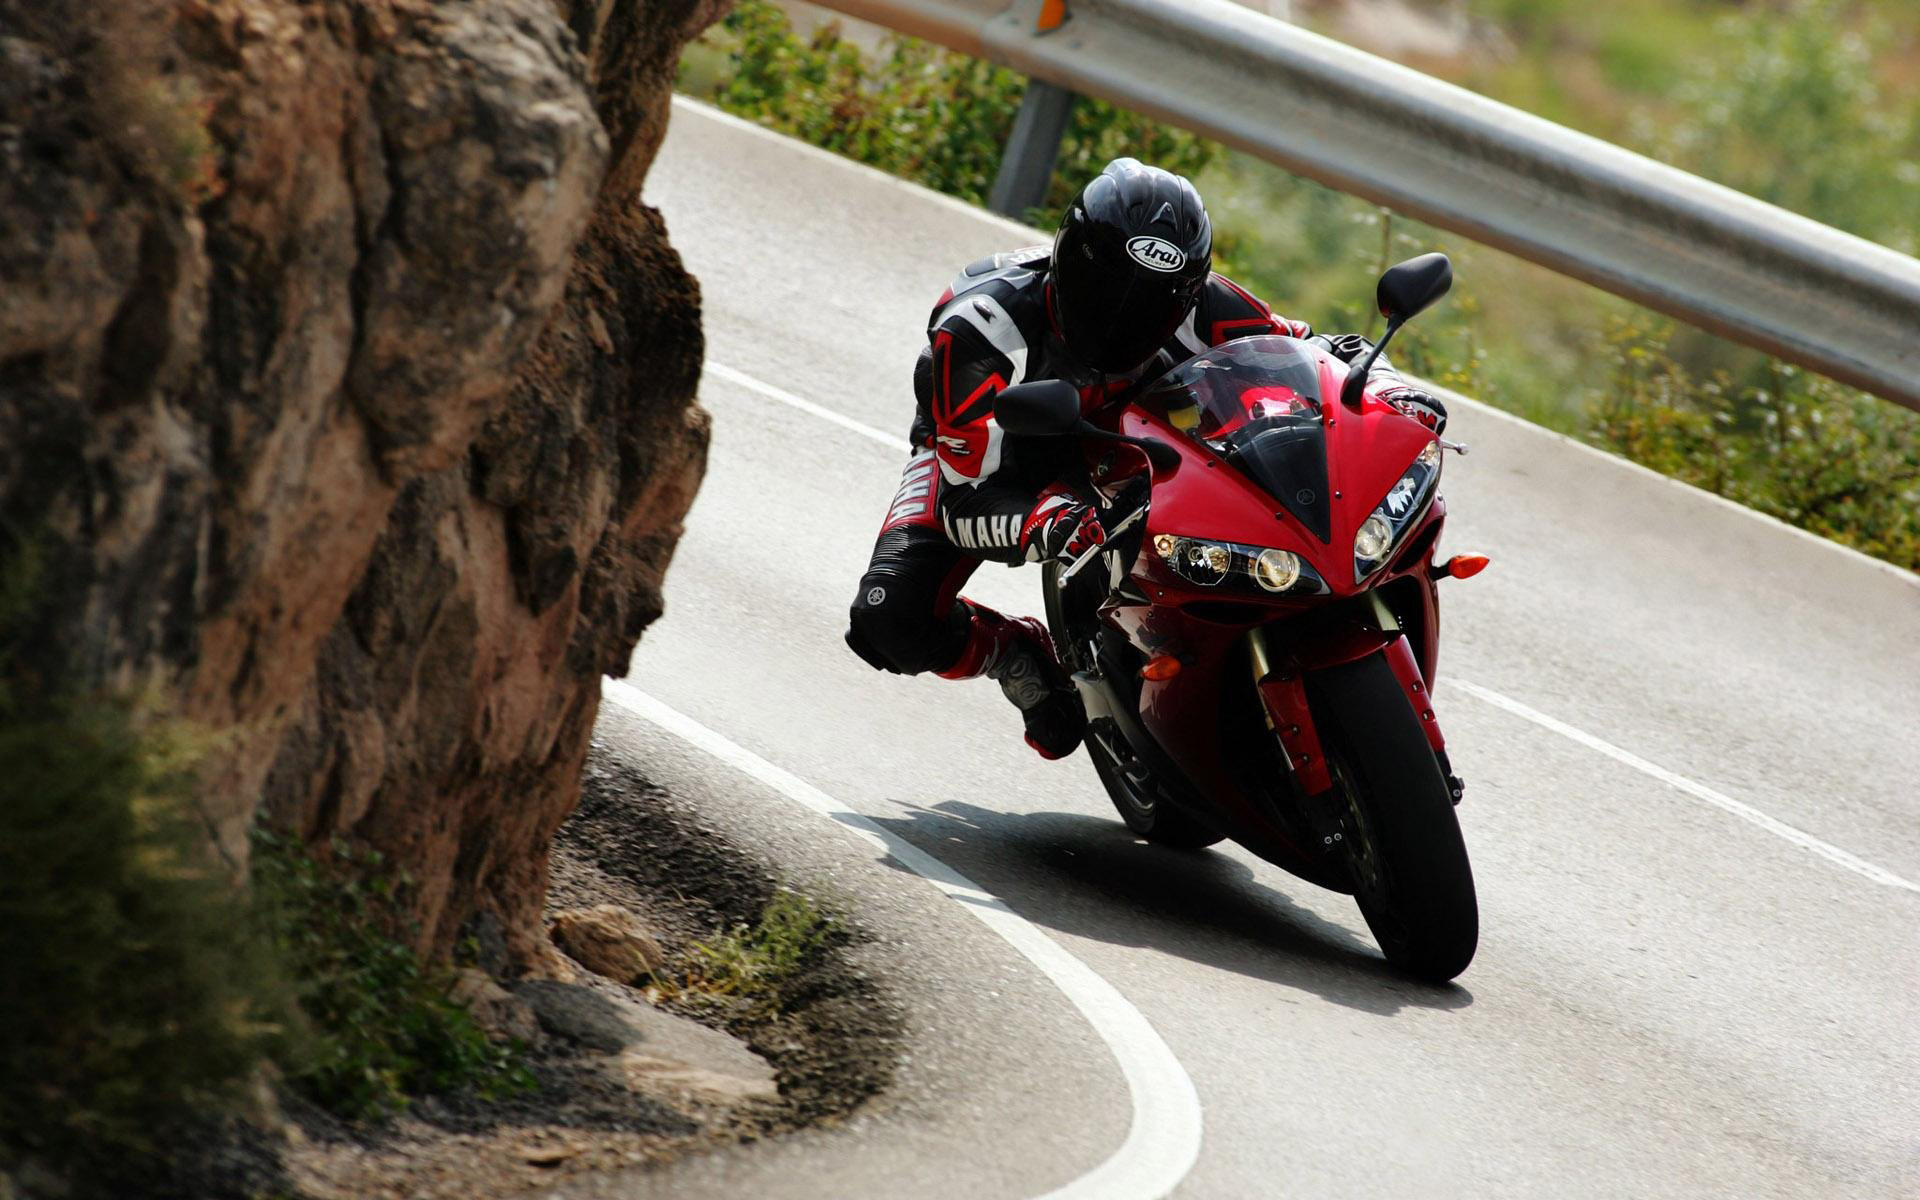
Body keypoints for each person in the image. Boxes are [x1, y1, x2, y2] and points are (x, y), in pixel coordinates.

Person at [843, 157, 1447, 760]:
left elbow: (1317, 352)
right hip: (998, 450)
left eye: (1152, 302)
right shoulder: (983, 331)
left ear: (1186, 290)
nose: (1123, 317)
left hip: (1143, 436)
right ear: (1065, 260)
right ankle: (1016, 657)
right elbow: (966, 498)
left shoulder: (1204, 304)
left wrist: (1389, 389)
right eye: (1105, 290)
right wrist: (1047, 520)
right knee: (889, 618)